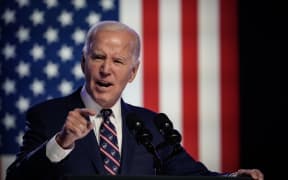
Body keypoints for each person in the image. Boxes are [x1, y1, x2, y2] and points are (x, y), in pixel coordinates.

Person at [5, 20, 264, 180]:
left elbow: (191, 175)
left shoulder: (150, 125)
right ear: (84, 62)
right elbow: (16, 177)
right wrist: (62, 141)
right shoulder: (47, 116)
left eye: (118, 61)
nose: (106, 69)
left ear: (132, 72)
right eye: (98, 57)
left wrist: (232, 178)